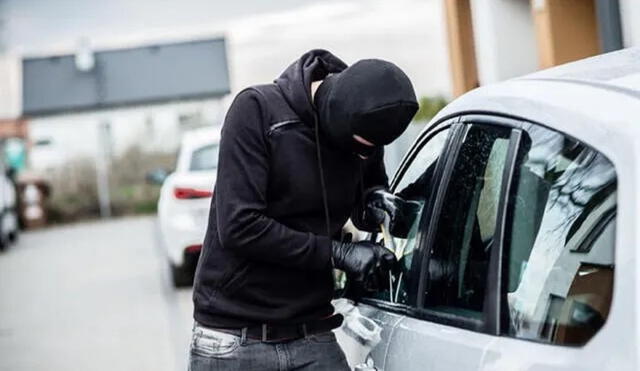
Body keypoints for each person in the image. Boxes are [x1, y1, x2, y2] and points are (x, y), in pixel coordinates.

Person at [189, 49, 418, 371]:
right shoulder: (257, 110)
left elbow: (363, 193)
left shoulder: (365, 128)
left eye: (371, 149)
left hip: (312, 332)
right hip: (235, 337)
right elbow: (239, 226)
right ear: (332, 115)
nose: (363, 154)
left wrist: (376, 201)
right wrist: (338, 253)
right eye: (359, 145)